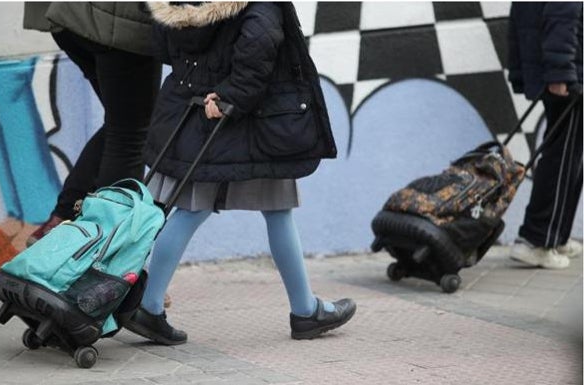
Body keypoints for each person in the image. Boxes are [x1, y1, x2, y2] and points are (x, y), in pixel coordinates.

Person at [123, 2, 356, 343]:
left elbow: (165, 48)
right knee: (277, 211)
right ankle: (306, 312)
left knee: (190, 209)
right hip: (251, 120)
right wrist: (233, 93)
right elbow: (261, 42)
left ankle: (151, 305)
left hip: (194, 113)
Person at [22, 2, 162, 245]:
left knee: (125, 123)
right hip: (114, 21)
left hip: (69, 16)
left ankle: (62, 221)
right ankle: (99, 243)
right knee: (129, 133)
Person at [508, 2, 583, 269]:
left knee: (570, 157)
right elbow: (561, 14)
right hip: (568, 74)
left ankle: (555, 235)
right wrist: (561, 72)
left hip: (564, 70)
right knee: (562, 157)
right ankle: (536, 240)